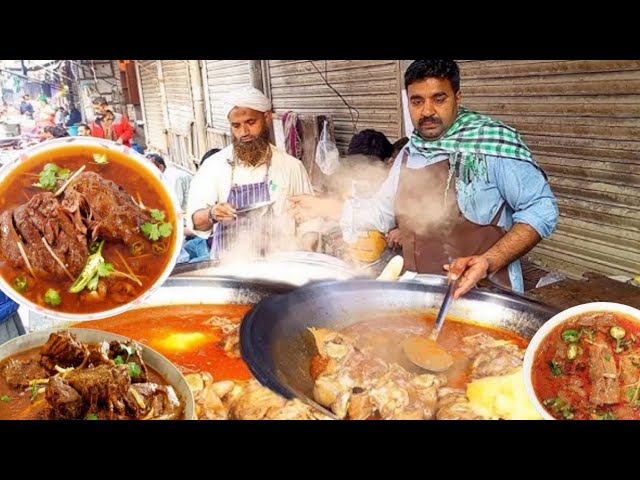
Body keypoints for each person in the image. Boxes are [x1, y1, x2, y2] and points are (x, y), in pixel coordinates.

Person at [290, 60, 558, 298]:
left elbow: (542, 210)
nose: (427, 111)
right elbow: (379, 213)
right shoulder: (409, 153)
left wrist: (490, 260)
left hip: (485, 296)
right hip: (420, 296)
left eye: (439, 98)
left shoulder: (491, 145)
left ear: (457, 97)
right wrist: (322, 206)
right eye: (417, 101)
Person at [186, 85, 321, 261]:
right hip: (230, 267)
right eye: (236, 126)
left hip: (282, 266)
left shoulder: (291, 166)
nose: (244, 133)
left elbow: (310, 220)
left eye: (251, 122)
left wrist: (307, 246)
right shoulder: (213, 167)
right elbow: (195, 221)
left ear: (266, 118)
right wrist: (212, 213)